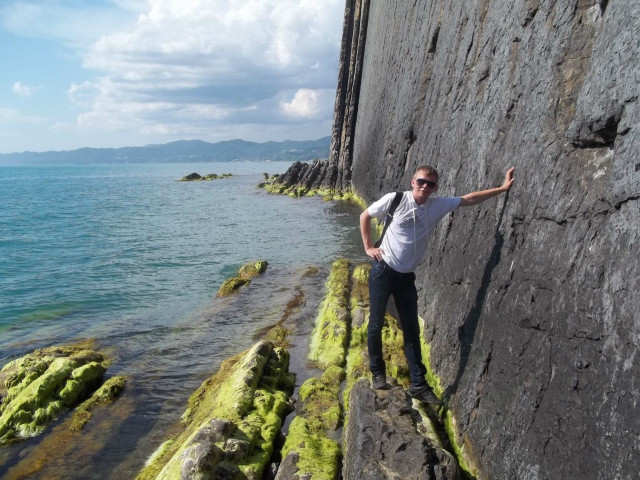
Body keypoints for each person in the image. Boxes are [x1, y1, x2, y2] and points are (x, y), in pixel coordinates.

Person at [360, 165, 515, 404]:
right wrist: (369, 247)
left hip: (406, 277)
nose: (425, 187)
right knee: (376, 324)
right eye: (421, 181)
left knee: (412, 329)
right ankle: (378, 373)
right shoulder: (396, 199)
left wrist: (503, 188)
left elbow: (469, 199)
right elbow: (365, 216)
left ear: (436, 187)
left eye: (430, 184)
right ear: (413, 181)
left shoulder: (438, 205)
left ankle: (419, 384)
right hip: (383, 270)